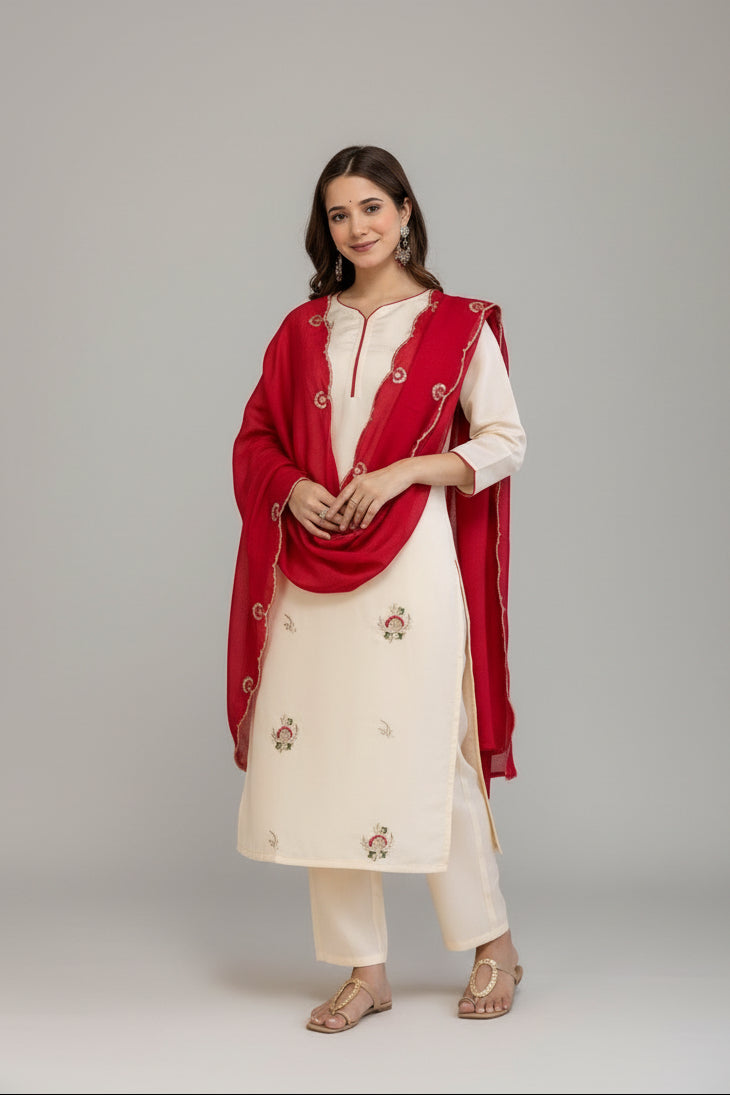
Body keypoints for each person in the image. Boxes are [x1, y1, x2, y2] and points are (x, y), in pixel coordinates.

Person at [227, 146, 527, 1031]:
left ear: (404, 211)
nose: (355, 228)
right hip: (313, 566)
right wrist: (290, 487)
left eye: (370, 208)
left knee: (435, 751)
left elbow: (506, 440)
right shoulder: (302, 328)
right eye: (337, 215)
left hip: (412, 562)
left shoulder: (457, 324)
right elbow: (254, 440)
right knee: (326, 758)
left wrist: (403, 474)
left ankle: (493, 944)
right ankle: (365, 969)